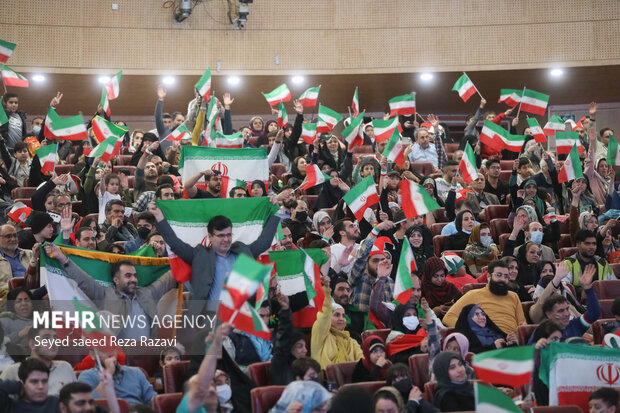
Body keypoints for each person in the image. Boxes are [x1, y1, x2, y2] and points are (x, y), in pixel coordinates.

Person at [151, 200, 278, 308]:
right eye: (221, 235)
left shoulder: (242, 250)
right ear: (210, 237)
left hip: (241, 319)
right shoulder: (200, 255)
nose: (226, 239)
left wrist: (275, 212)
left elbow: (264, 242)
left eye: (229, 235)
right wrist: (159, 217)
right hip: (210, 321)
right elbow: (175, 244)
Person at [42, 243, 176, 341]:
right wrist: (61, 257)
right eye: (128, 276)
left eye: (135, 275)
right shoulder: (105, 295)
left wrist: (182, 258)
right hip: (117, 358)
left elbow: (169, 278)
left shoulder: (147, 293)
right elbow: (83, 279)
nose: (133, 279)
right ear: (116, 280)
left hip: (147, 355)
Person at [442, 260, 526, 335]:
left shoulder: (513, 296)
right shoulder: (474, 294)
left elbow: (522, 323)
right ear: (489, 276)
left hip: (511, 342)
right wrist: (472, 330)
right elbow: (448, 318)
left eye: (506, 276)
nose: (503, 279)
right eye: (499, 275)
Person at [0, 328, 76, 396]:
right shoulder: (13, 370)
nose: (53, 342)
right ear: (33, 344)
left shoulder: (65, 367)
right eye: (46, 338)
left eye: (55, 338)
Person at [538, 264, 601, 341]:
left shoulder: (575, 324)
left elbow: (594, 313)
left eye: (567, 309)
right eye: (560, 311)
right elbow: (531, 351)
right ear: (549, 314)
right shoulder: (541, 331)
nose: (566, 314)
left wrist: (588, 289)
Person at [311, 279, 363, 369]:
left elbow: (361, 360)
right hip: (326, 380)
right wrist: (326, 291)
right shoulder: (321, 335)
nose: (341, 319)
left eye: (343, 316)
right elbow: (324, 314)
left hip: (348, 379)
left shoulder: (350, 341)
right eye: (336, 315)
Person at [78, 347, 157, 406]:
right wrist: (108, 374)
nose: (110, 354)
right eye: (104, 350)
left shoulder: (136, 372)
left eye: (112, 348)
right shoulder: (87, 376)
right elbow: (90, 404)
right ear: (93, 355)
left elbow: (153, 400)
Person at [0, 223, 33, 293]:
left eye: (15, 236)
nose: (13, 239)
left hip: (32, 290)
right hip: (8, 295)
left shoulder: (30, 254)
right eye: (8, 236)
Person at [0, 287, 35, 351]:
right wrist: (20, 334)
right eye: (18, 301)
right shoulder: (4, 321)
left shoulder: (43, 320)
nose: (24, 304)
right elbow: (1, 342)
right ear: (12, 306)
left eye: (27, 300)